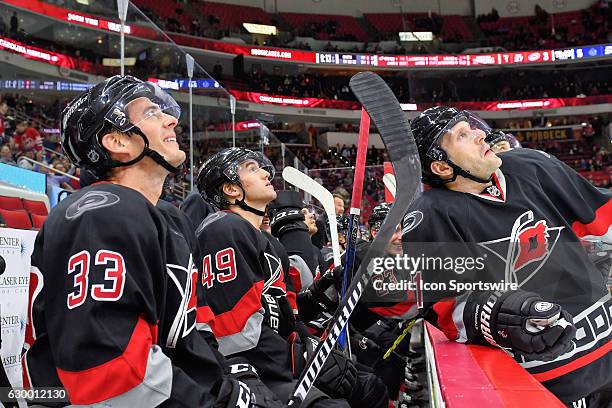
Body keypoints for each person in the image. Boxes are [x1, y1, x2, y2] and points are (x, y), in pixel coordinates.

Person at [22, 75, 282, 408]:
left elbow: (190, 334)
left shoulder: (167, 218)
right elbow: (112, 370)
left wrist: (228, 386)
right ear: (117, 141)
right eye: (150, 113)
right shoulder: (100, 214)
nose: (171, 119)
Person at [402, 106, 611, 407]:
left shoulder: (533, 166)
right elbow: (445, 309)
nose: (480, 135)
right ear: (442, 167)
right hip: (546, 384)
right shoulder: (430, 215)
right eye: (462, 135)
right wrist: (497, 311)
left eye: (472, 126)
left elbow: (603, 221)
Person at [195, 147, 387, 408]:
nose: (265, 172)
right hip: (247, 369)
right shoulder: (222, 228)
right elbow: (235, 331)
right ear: (231, 189)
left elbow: (286, 315)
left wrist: (322, 293)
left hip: (274, 359)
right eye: (252, 168)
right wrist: (299, 357)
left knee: (370, 388)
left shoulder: (270, 244)